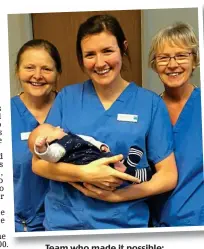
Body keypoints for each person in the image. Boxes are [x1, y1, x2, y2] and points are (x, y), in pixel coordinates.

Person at [32, 14, 178, 230]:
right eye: (89, 54)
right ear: (81, 58)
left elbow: (168, 175)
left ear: (123, 47)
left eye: (107, 51)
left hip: (124, 225)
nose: (99, 63)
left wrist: (118, 197)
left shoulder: (150, 104)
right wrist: (84, 173)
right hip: (65, 224)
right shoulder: (67, 98)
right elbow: (38, 164)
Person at [148, 22, 204, 226]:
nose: (172, 65)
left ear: (195, 60)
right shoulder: (148, 110)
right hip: (155, 224)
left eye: (181, 55)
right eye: (163, 57)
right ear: (154, 64)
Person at [11, 39, 62, 232]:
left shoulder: (71, 110)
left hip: (67, 225)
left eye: (47, 69)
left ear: (58, 73)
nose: (37, 76)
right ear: (17, 70)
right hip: (20, 227)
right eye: (29, 67)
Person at [28, 123, 152, 182]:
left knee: (112, 159)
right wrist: (43, 150)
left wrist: (101, 146)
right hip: (87, 163)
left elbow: (88, 140)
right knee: (111, 168)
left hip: (95, 153)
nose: (59, 127)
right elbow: (51, 157)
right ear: (49, 140)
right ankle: (131, 171)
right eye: (54, 129)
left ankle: (129, 167)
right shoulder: (58, 147)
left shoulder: (71, 136)